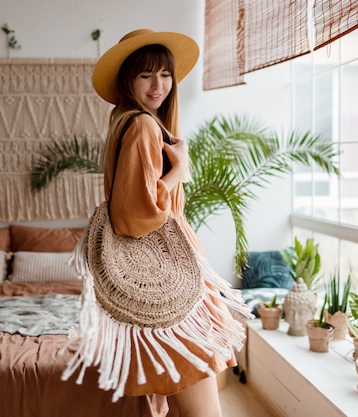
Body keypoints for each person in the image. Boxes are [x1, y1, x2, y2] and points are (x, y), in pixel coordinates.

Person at [87, 29, 246, 417]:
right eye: (145, 75)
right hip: (169, 282)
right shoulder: (141, 126)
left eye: (164, 74)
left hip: (164, 278)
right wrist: (180, 170)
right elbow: (132, 216)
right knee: (204, 409)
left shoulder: (123, 120)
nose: (158, 85)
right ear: (128, 79)